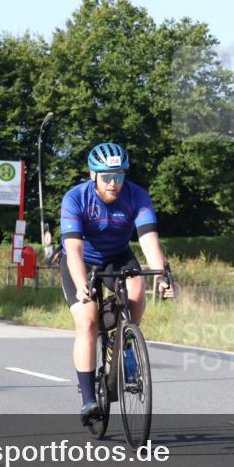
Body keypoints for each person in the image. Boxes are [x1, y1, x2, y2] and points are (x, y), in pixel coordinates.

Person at [59, 142, 176, 425]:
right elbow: (73, 249)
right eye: (107, 177)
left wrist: (160, 275)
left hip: (118, 256)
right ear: (92, 175)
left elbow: (149, 240)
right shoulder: (75, 199)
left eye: (120, 176)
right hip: (82, 261)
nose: (114, 184)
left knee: (136, 292)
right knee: (87, 321)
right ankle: (88, 399)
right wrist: (80, 283)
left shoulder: (137, 196)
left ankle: (120, 341)